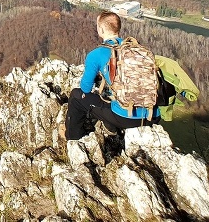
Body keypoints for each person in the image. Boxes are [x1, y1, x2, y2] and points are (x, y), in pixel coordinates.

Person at [64, 11, 160, 140]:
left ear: (101, 29)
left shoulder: (96, 54)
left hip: (126, 117)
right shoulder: (137, 50)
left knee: (76, 96)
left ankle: (73, 139)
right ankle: (110, 127)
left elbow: (85, 88)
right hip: (152, 115)